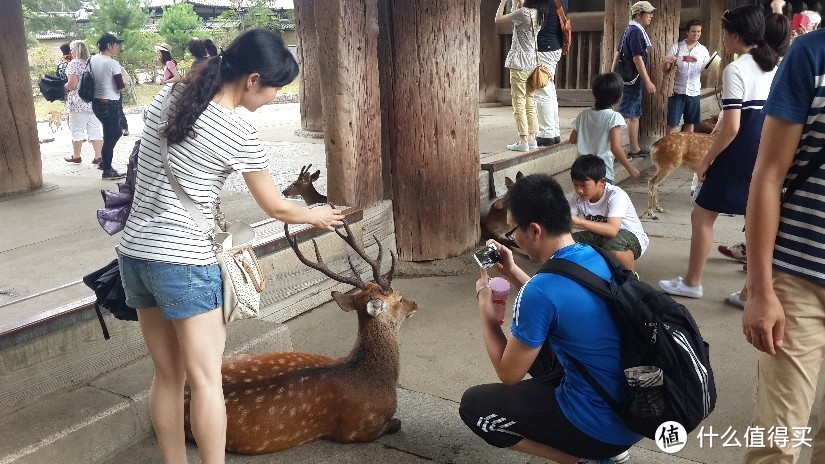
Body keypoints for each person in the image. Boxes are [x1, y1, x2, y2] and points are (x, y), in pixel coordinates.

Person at [118, 29, 345, 464]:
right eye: (277, 88)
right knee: (205, 382)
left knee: (167, 376)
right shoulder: (239, 130)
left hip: (136, 253)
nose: (275, 98)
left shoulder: (168, 95)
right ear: (253, 79)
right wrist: (318, 214)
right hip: (184, 260)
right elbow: (277, 207)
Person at [460, 173, 638, 464]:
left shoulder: (541, 292)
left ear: (534, 230)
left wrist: (485, 304)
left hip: (601, 427)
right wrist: (513, 271)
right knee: (540, 342)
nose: (511, 237)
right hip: (632, 408)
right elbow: (558, 297)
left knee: (475, 408)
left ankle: (582, 458)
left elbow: (509, 374)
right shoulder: (595, 256)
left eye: (512, 230)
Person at [741, 27, 825, 464]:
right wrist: (760, 289)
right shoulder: (812, 55)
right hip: (799, 278)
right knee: (777, 440)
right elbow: (768, 176)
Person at [658, 5, 781, 299]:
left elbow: (731, 127)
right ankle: (751, 293)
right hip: (766, 146)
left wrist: (708, 158)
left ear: (735, 35)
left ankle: (692, 282)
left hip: (740, 148)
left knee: (702, 216)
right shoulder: (774, 65)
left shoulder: (735, 68)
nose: (722, 37)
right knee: (755, 219)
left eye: (725, 32)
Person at [568, 155, 648, 272]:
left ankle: (629, 280)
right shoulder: (577, 197)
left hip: (632, 237)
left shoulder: (615, 195)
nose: (579, 190)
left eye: (584, 185)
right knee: (567, 243)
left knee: (613, 244)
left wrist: (579, 221)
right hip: (602, 237)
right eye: (575, 185)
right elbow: (565, 220)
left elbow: (612, 230)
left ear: (601, 182)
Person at [569, 72, 639, 183]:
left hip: (580, 170)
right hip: (601, 172)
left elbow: (572, 140)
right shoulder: (614, 118)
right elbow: (615, 148)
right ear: (619, 96)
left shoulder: (583, 114)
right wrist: (630, 168)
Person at [496, 0, 544, 152]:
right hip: (533, 63)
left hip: (519, 63)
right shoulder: (539, 13)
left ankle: (522, 140)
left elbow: (498, 19)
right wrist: (517, 4)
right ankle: (532, 138)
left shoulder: (523, 13)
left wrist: (504, 1)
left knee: (518, 102)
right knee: (529, 101)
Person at [611, 1, 656, 159]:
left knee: (635, 114)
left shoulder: (629, 30)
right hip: (634, 78)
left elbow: (618, 53)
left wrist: (613, 73)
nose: (651, 16)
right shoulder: (636, 32)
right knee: (623, 114)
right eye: (648, 13)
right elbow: (638, 59)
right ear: (638, 14)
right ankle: (613, 150)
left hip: (630, 78)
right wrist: (648, 81)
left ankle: (635, 149)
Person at [662, 19, 711, 135]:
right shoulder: (677, 48)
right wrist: (666, 62)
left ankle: (687, 149)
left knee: (690, 123)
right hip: (677, 91)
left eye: (699, 32)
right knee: (672, 123)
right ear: (687, 32)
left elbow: (706, 71)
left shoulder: (703, 50)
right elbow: (665, 70)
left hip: (694, 92)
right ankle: (670, 151)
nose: (696, 34)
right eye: (693, 31)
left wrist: (711, 68)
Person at [90, 33, 127, 180]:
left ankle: (104, 161)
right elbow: (120, 86)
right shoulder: (112, 63)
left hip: (96, 102)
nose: (119, 47)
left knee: (115, 132)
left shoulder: (92, 59)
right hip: (110, 103)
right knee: (111, 135)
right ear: (109, 45)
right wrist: (124, 87)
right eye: (117, 44)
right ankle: (107, 169)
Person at [62, 40, 103, 164]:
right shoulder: (92, 63)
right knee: (94, 129)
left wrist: (64, 86)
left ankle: (76, 156)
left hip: (78, 102)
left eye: (71, 49)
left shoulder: (73, 64)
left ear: (75, 50)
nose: (70, 51)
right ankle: (98, 156)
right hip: (93, 101)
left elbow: (72, 84)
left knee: (77, 130)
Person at [534, 0, 567, 147]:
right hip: (555, 46)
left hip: (544, 48)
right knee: (549, 90)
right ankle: (553, 131)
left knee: (543, 91)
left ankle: (546, 133)